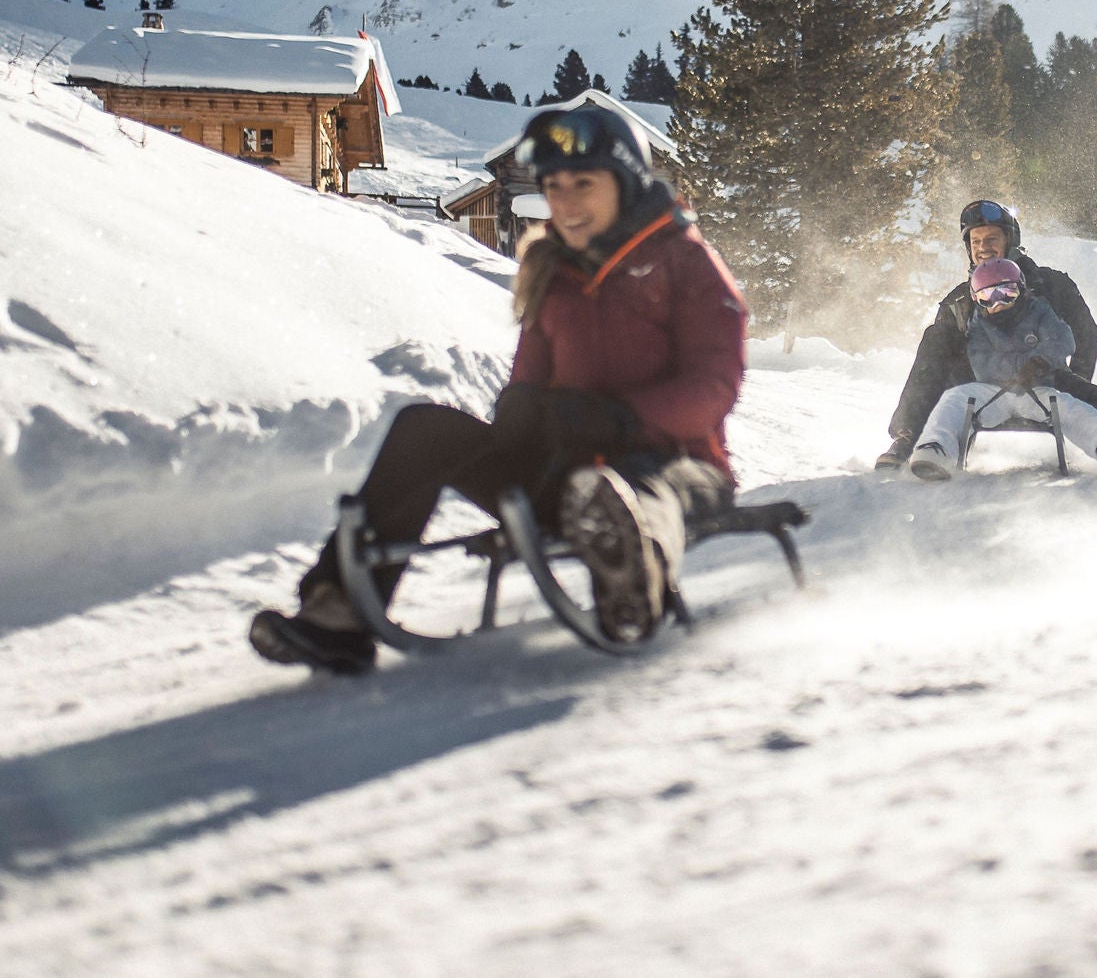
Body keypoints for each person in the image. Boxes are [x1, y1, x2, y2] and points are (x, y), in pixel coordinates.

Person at [248, 104, 747, 674]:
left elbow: (715, 386)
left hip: (677, 465)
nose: (566, 201)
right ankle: (337, 611)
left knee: (644, 490)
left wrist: (620, 419)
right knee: (425, 430)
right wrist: (521, 411)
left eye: (584, 183)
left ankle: (636, 581)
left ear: (627, 181)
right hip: (567, 477)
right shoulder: (554, 275)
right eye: (554, 186)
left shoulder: (687, 262)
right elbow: (528, 379)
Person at [875, 199, 1097, 469]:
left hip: (1042, 378)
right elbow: (934, 362)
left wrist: (1074, 382)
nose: (983, 247)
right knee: (936, 336)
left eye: (992, 238)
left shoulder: (1052, 284)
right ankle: (909, 437)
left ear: (1010, 240)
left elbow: (1086, 335)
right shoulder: (960, 300)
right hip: (979, 386)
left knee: (1069, 383)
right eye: (975, 241)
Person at [908, 258, 1097, 480]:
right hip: (992, 392)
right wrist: (1018, 368)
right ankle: (936, 447)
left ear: (1021, 290)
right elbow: (982, 363)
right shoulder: (978, 326)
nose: (998, 303)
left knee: (1068, 406)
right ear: (977, 300)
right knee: (954, 398)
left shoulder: (1039, 311)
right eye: (988, 297)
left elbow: (1062, 340)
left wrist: (1040, 362)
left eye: (1006, 293)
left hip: (1037, 388)